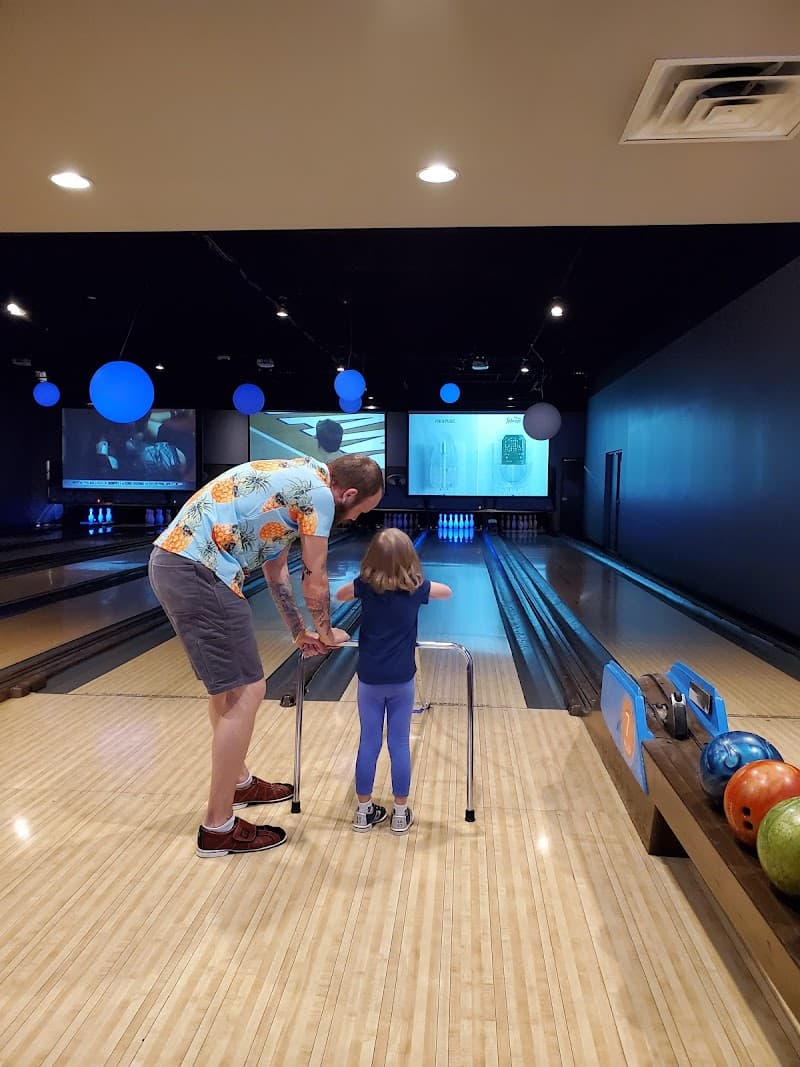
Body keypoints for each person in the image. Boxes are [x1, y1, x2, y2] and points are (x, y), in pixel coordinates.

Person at [148, 453, 384, 857]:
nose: (358, 520)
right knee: (247, 690)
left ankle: (239, 784)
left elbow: (276, 573)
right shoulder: (320, 497)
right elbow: (316, 576)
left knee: (230, 691)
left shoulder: (296, 480)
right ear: (347, 494)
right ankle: (218, 826)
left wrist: (299, 631)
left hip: (179, 563)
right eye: (362, 511)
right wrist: (327, 633)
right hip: (199, 571)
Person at [334, 528, 452, 834]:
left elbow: (339, 594)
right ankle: (400, 814)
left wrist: (367, 581)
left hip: (369, 680)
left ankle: (363, 812)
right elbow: (447, 591)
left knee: (369, 742)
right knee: (399, 743)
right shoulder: (417, 589)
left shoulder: (365, 587)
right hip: (402, 681)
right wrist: (416, 582)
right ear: (410, 559)